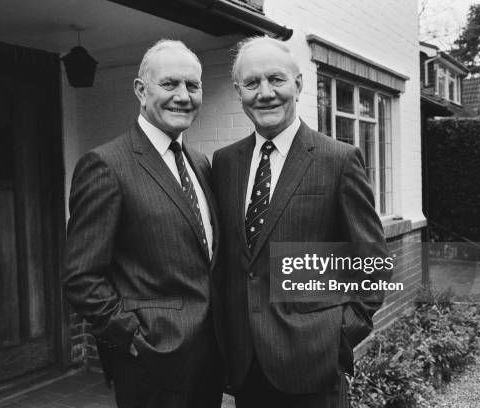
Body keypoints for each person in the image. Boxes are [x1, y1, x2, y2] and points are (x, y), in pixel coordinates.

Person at [211, 37, 389, 408]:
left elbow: (372, 262)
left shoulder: (338, 160)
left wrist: (338, 335)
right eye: (252, 83)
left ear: (298, 84)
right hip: (246, 367)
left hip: (313, 366)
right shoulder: (225, 163)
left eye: (276, 79)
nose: (265, 93)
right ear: (237, 91)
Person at [64, 39, 223, 408]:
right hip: (151, 365)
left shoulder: (200, 163)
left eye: (192, 85)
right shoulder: (105, 165)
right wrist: (134, 340)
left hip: (208, 363)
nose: (183, 96)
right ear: (141, 90)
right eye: (169, 84)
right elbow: (81, 278)